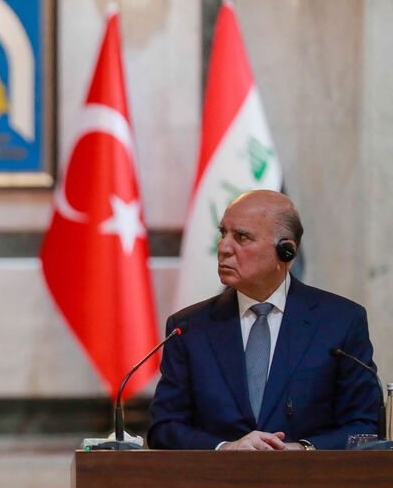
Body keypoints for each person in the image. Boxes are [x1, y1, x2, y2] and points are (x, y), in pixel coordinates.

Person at [148, 190, 379, 450]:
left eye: (242, 237)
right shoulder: (189, 328)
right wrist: (224, 448)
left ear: (286, 252)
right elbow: (165, 428)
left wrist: (304, 449)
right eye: (223, 233)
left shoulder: (341, 321)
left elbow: (364, 425)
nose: (223, 247)